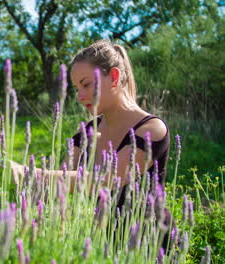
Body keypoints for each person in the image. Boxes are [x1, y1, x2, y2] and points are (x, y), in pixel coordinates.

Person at [10, 39, 174, 250]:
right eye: (76, 88)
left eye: (86, 84)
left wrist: (35, 175)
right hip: (104, 245)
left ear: (114, 77)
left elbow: (109, 178)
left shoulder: (152, 129)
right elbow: (61, 178)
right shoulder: (86, 131)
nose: (79, 96)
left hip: (150, 246)